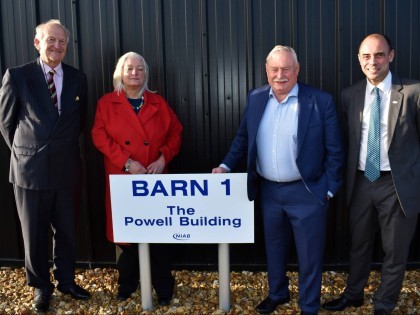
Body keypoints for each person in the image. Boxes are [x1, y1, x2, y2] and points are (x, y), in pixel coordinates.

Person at [212, 45, 344, 315]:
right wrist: (226, 165)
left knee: (309, 256)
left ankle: (308, 306)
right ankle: (278, 293)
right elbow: (243, 138)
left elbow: (335, 150)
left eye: (286, 69)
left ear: (297, 70)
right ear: (266, 70)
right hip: (269, 191)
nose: (280, 75)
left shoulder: (320, 101)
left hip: (307, 192)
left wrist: (328, 190)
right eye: (275, 69)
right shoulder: (257, 97)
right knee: (274, 248)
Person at [322, 34, 420, 315]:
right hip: (362, 181)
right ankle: (353, 295)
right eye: (366, 56)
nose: (372, 61)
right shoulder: (349, 95)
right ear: (359, 60)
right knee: (358, 244)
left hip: (397, 185)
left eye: (379, 55)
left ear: (391, 56)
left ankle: (384, 304)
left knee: (395, 250)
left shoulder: (413, 91)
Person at [0, 19, 91, 312]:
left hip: (66, 169)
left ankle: (66, 280)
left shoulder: (78, 78)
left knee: (66, 231)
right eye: (51, 40)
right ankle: (40, 286)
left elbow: (78, 122)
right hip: (30, 171)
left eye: (62, 41)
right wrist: (28, 153)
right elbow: (6, 124)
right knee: (35, 234)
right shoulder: (17, 76)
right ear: (37, 43)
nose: (57, 46)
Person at [91, 51, 183, 305]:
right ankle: (126, 285)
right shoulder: (106, 103)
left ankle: (163, 286)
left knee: (159, 235)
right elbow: (99, 137)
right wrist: (127, 162)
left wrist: (163, 158)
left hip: (155, 180)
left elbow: (176, 133)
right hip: (123, 178)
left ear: (146, 74)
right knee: (127, 234)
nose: (135, 73)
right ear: (120, 73)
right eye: (129, 68)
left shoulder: (158, 102)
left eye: (140, 69)